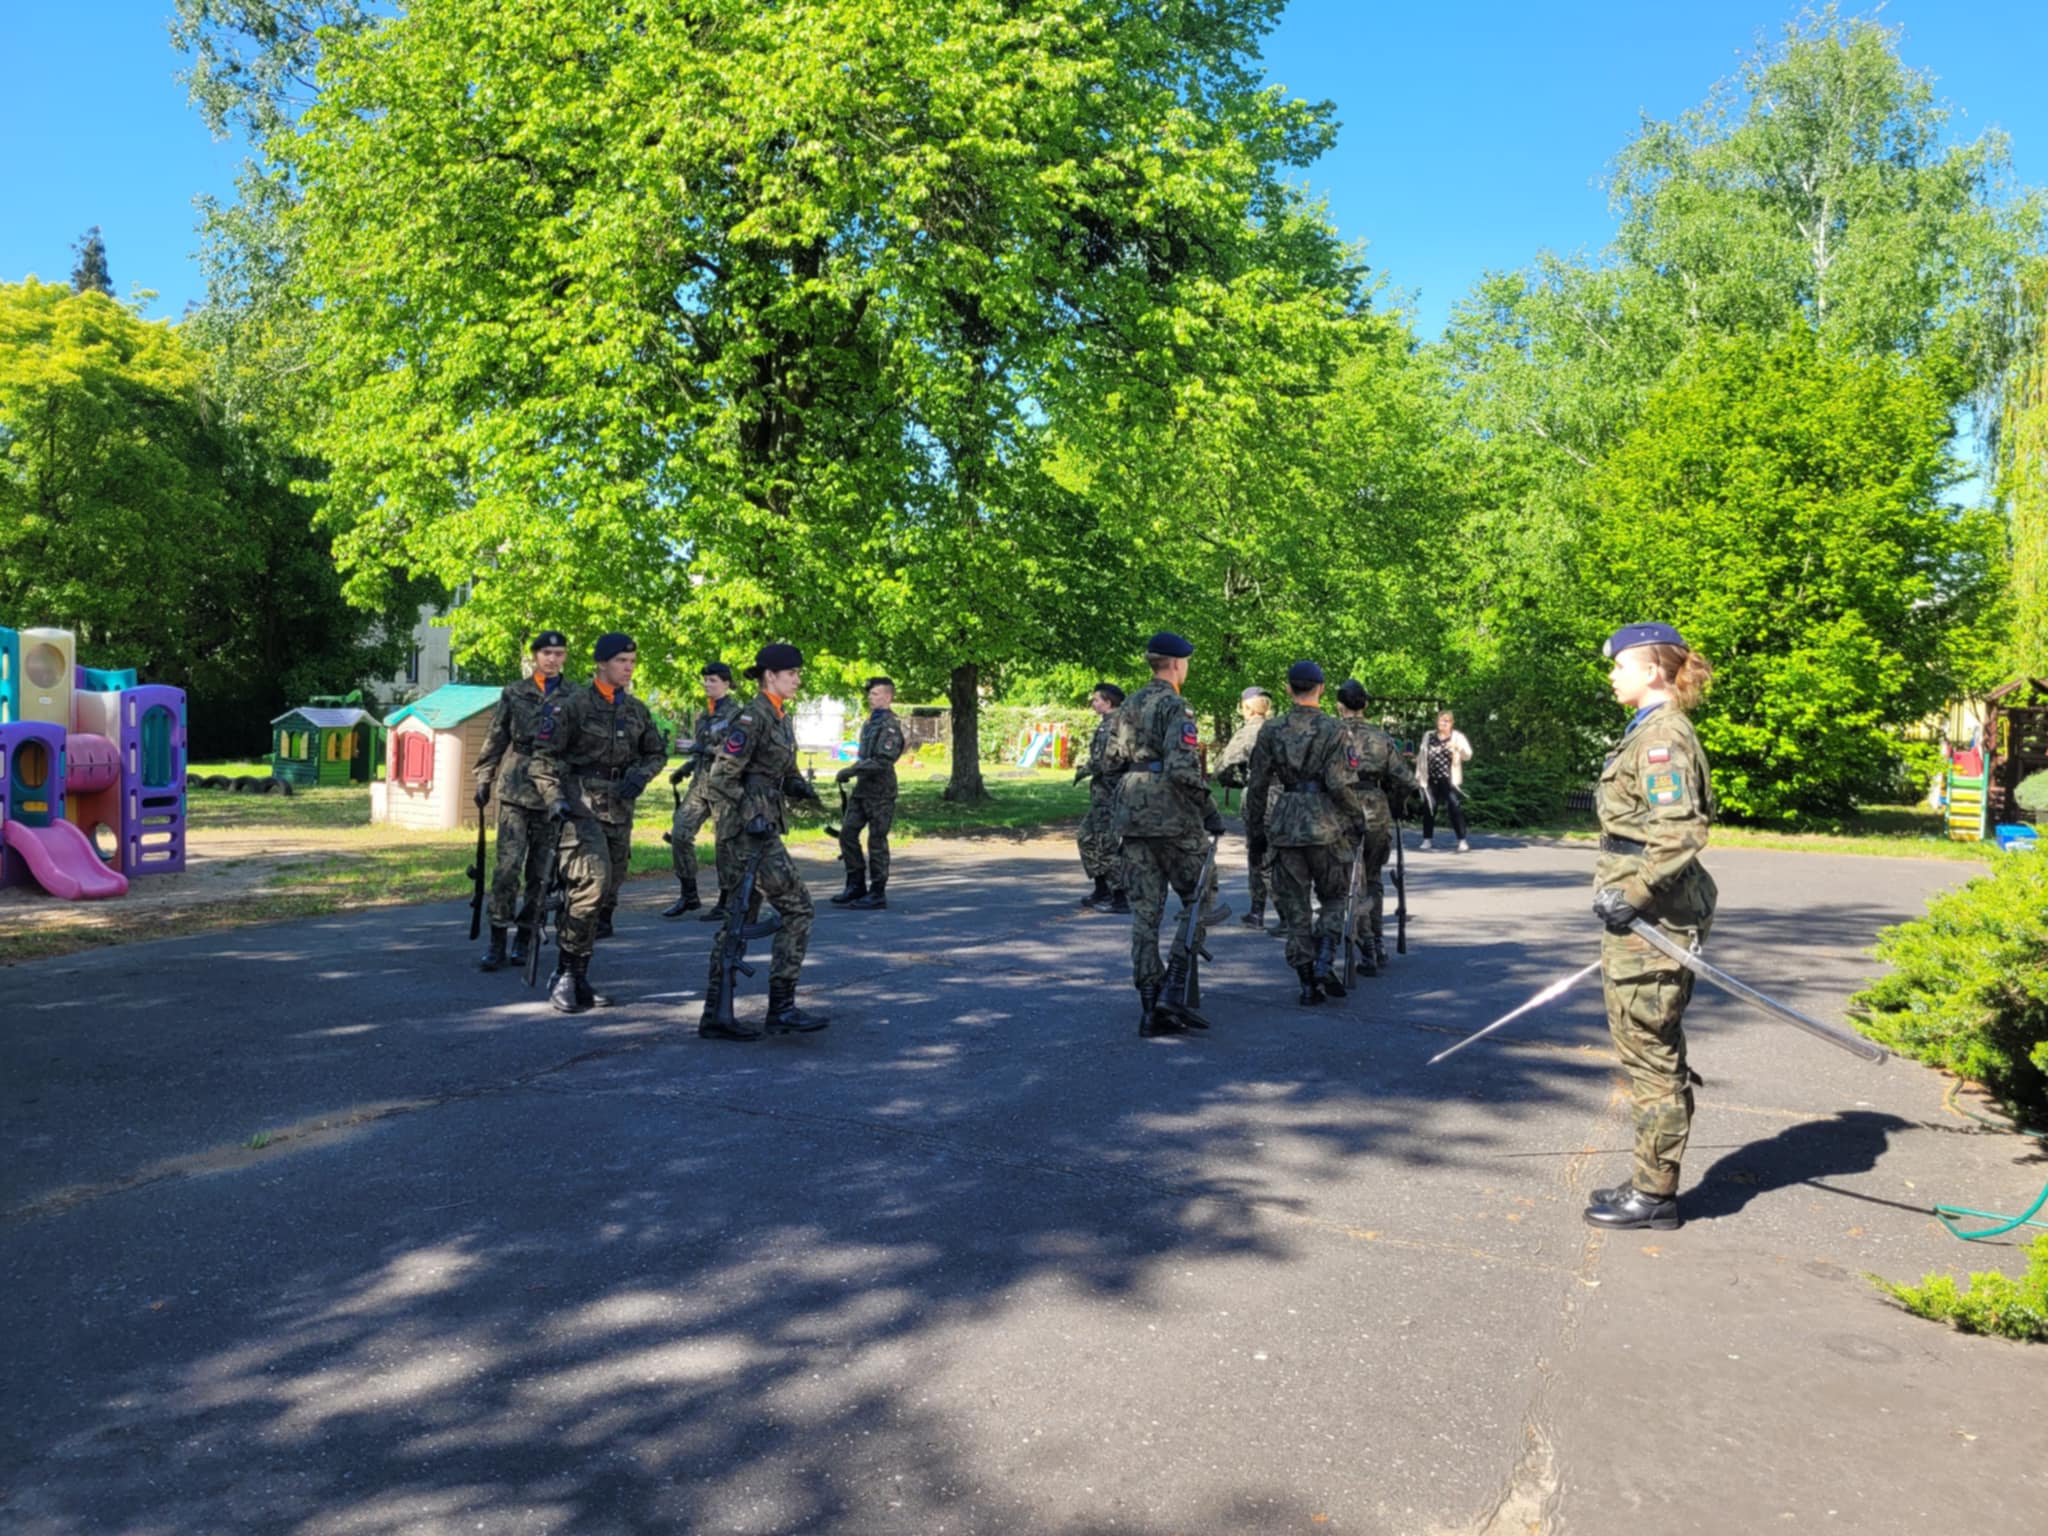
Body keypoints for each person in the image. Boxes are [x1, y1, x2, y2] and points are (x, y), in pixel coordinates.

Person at [1583, 622, 1718, 1232]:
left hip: (1653, 918)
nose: (1612, 675)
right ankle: (1649, 1177)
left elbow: (1679, 832)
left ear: (1653, 671)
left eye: (1621, 665)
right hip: (1642, 914)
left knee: (1651, 1055)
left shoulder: (1663, 738)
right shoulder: (1647, 730)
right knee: (1645, 1048)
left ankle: (1656, 1195)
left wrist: (1633, 894)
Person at [527, 632, 667, 1013]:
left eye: (632, 662)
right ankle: (566, 974)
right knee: (592, 884)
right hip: (580, 807)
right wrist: (555, 799)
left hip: (618, 810)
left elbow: (657, 752)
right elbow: (542, 759)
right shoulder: (570, 706)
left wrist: (641, 775)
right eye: (622, 661)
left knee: (606, 897)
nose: (629, 668)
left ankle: (579, 974)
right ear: (601, 663)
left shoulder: (636, 710)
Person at [700, 641, 830, 1038]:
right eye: (792, 673)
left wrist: (795, 785)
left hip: (763, 826)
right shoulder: (751, 718)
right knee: (798, 908)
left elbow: (777, 770)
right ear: (770, 676)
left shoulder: (779, 716)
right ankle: (780, 1007)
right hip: (747, 834)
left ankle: (717, 1014)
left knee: (740, 920)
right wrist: (751, 812)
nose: (797, 680)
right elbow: (721, 777)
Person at [1103, 631, 1230, 1036]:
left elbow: (1110, 762)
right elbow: (1181, 768)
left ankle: (1148, 999)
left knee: (1145, 911)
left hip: (1132, 812)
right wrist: (1210, 811)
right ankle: (1174, 983)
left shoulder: (1128, 705)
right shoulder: (1176, 706)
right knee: (1200, 893)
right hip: (1171, 815)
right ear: (1176, 664)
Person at [1244, 662, 1366, 1006]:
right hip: (1325, 823)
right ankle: (1325, 954)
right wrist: (1357, 818)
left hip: (1286, 822)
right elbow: (1339, 784)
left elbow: (1258, 785)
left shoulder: (1272, 729)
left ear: (1288, 689)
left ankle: (1307, 982)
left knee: (1295, 908)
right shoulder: (1335, 729)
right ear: (1321, 689)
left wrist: (1256, 833)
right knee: (1334, 896)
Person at [472, 630, 570, 972]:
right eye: (547, 653)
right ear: (535, 656)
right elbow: (496, 736)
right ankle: (497, 938)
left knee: (541, 874)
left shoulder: (575, 695)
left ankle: (526, 937)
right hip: (515, 788)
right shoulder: (515, 692)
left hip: (553, 793)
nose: (553, 659)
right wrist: (484, 777)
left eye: (559, 653)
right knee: (507, 869)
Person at [1334, 679, 1420, 976]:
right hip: (1375, 809)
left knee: (1347, 879)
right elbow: (1406, 780)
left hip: (1341, 809)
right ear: (1365, 705)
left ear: (1339, 706)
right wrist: (1396, 804)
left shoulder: (1331, 734)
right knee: (1371, 878)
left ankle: (1363, 941)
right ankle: (1378, 941)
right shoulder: (1381, 738)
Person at [661, 661, 742, 917]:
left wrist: (705, 749)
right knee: (680, 834)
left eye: (713, 680)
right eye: (706, 680)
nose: (708, 684)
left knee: (724, 845)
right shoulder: (705, 715)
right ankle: (689, 895)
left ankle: (726, 900)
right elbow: (700, 750)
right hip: (701, 784)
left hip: (725, 786)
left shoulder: (736, 715)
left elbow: (736, 752)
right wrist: (686, 767)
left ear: (726, 683)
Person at [831, 676, 906, 910]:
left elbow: (883, 760)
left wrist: (852, 770)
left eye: (875, 694)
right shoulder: (870, 722)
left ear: (888, 697)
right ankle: (855, 884)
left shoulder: (890, 725)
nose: (870, 698)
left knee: (876, 841)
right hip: (862, 790)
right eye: (870, 694)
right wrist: (854, 772)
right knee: (847, 834)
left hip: (881, 792)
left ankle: (877, 891)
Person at [1210, 686, 1276, 929]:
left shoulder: (1247, 733)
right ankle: (1289, 914)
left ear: (1246, 708)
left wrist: (1234, 781)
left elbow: (1222, 766)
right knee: (1284, 855)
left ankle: (1257, 911)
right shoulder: (1281, 729)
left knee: (1258, 852)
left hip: (1258, 795)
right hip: (1287, 797)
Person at [1073, 682, 1129, 912]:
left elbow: (1104, 761)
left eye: (1097, 699)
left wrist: (1084, 770)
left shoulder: (1114, 725)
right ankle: (1102, 889)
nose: (1093, 703)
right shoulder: (1110, 723)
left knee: (1107, 844)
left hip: (1110, 794)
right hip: (1102, 795)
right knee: (1087, 838)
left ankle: (1121, 897)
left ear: (1108, 702)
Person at [1417, 710, 1474, 851]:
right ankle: (1427, 839)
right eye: (1441, 720)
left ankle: (1462, 840)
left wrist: (1457, 748)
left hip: (1449, 779)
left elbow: (1468, 755)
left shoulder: (1457, 737)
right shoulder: (1429, 736)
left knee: (1454, 806)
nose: (1443, 723)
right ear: (1437, 722)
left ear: (1452, 723)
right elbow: (1422, 755)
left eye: (1447, 721)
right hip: (1430, 778)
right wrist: (1418, 773)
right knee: (1429, 807)